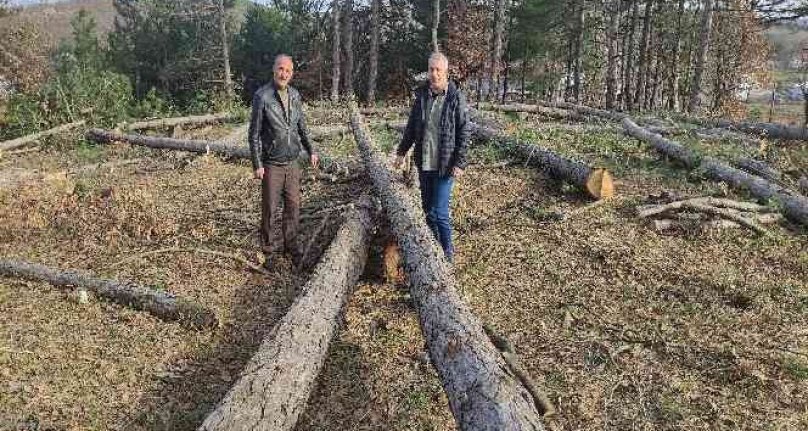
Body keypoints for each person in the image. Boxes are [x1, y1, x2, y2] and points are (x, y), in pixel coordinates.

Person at [393, 52, 469, 263]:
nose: (434, 74)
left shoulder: (455, 98)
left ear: (446, 72)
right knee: (427, 210)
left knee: (440, 213)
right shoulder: (422, 97)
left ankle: (447, 255)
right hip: (425, 162)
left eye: (438, 70)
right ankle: (434, 251)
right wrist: (401, 152)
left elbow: (464, 132)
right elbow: (411, 128)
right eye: (431, 69)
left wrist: (460, 163)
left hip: (445, 165)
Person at [248, 54, 319, 270]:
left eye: (288, 71)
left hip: (292, 162)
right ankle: (268, 251)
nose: (284, 74)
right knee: (270, 209)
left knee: (293, 208)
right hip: (271, 163)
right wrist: (257, 163)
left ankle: (291, 248)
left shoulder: (295, 95)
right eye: (280, 69)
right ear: (274, 70)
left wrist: (311, 149)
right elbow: (254, 134)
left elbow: (301, 127)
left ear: (292, 74)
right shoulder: (263, 96)